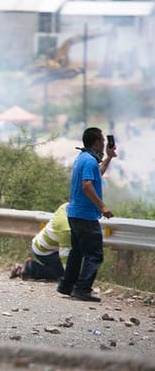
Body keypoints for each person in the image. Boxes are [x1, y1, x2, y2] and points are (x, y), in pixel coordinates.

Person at [57, 127, 115, 302]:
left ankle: (67, 286)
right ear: (97, 142)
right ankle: (82, 289)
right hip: (85, 215)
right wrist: (102, 206)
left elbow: (98, 172)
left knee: (77, 252)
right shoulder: (89, 160)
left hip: (74, 213)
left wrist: (109, 157)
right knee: (94, 254)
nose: (104, 144)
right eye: (103, 141)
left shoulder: (83, 158)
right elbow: (87, 185)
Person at [10, 202, 70, 281]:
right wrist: (70, 277)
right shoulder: (66, 228)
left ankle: (28, 267)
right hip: (45, 251)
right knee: (61, 273)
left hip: (45, 244)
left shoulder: (65, 207)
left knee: (66, 270)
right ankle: (30, 268)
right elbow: (65, 254)